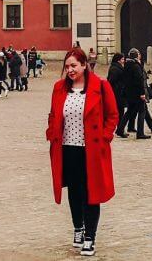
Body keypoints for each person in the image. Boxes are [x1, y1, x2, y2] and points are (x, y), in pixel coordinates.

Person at [46, 47, 118, 257]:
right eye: (67, 66)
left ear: (84, 65)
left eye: (74, 66)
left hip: (92, 150)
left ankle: (90, 238)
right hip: (67, 149)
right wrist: (51, 132)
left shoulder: (101, 87)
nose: (70, 70)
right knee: (74, 192)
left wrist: (105, 137)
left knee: (91, 193)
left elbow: (113, 115)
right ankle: (78, 228)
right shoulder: (59, 88)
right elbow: (53, 114)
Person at [114, 49, 149, 139]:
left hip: (129, 93)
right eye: (138, 54)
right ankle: (140, 133)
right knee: (142, 111)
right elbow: (139, 80)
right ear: (136, 56)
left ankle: (120, 129)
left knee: (129, 112)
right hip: (137, 93)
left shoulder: (127, 65)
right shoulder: (136, 66)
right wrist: (142, 93)